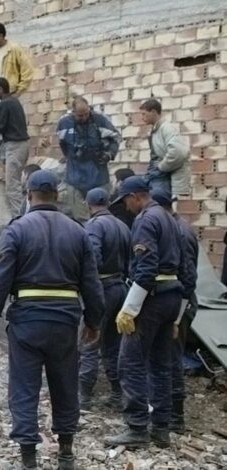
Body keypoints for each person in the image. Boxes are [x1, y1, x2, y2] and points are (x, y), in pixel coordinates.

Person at [0, 169, 104, 470]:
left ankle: (29, 458)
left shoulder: (16, 230)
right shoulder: (78, 231)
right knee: (65, 384)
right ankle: (66, 453)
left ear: (28, 194)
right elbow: (91, 283)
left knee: (24, 386)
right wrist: (94, 321)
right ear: (57, 195)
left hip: (27, 320)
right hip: (65, 321)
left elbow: (0, 279)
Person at [104, 176, 192, 449]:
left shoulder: (145, 220)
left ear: (135, 196)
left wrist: (129, 309)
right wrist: (178, 315)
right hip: (171, 298)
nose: (126, 207)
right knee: (161, 364)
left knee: (130, 362)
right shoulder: (172, 220)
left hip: (151, 300)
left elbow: (146, 269)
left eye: (126, 201)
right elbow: (187, 273)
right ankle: (161, 428)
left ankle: (137, 427)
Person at [78, 188, 131, 411]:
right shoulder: (122, 226)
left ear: (88, 204)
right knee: (113, 345)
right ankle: (118, 394)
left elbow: (93, 260)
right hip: (121, 287)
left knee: (89, 340)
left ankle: (83, 397)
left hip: (101, 289)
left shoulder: (93, 225)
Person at [151, 188, 198, 433]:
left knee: (171, 357)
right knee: (166, 357)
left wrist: (178, 317)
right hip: (178, 301)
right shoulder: (176, 227)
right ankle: (168, 413)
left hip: (179, 302)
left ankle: (176, 417)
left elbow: (188, 278)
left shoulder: (178, 231)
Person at [57, 96, 121, 221]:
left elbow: (116, 138)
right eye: (80, 116)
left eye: (86, 114)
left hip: (98, 174)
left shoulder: (100, 120)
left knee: (101, 216)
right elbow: (62, 143)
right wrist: (68, 156)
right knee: (80, 218)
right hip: (75, 175)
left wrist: (109, 154)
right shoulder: (64, 123)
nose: (84, 117)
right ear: (73, 112)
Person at [0, 77, 30, 218]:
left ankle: (20, 219)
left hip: (15, 147)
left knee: (12, 186)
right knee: (17, 182)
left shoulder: (4, 104)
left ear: (1, 89)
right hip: (22, 145)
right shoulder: (14, 101)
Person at [0, 22, 34, 127]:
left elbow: (27, 71)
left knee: (8, 125)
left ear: (1, 35)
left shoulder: (14, 49)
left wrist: (18, 92)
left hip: (8, 95)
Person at [139, 99, 191, 197]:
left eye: (144, 114)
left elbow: (178, 153)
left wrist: (161, 166)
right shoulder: (156, 130)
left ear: (153, 112)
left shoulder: (167, 128)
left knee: (158, 201)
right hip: (160, 175)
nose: (142, 118)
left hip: (165, 177)